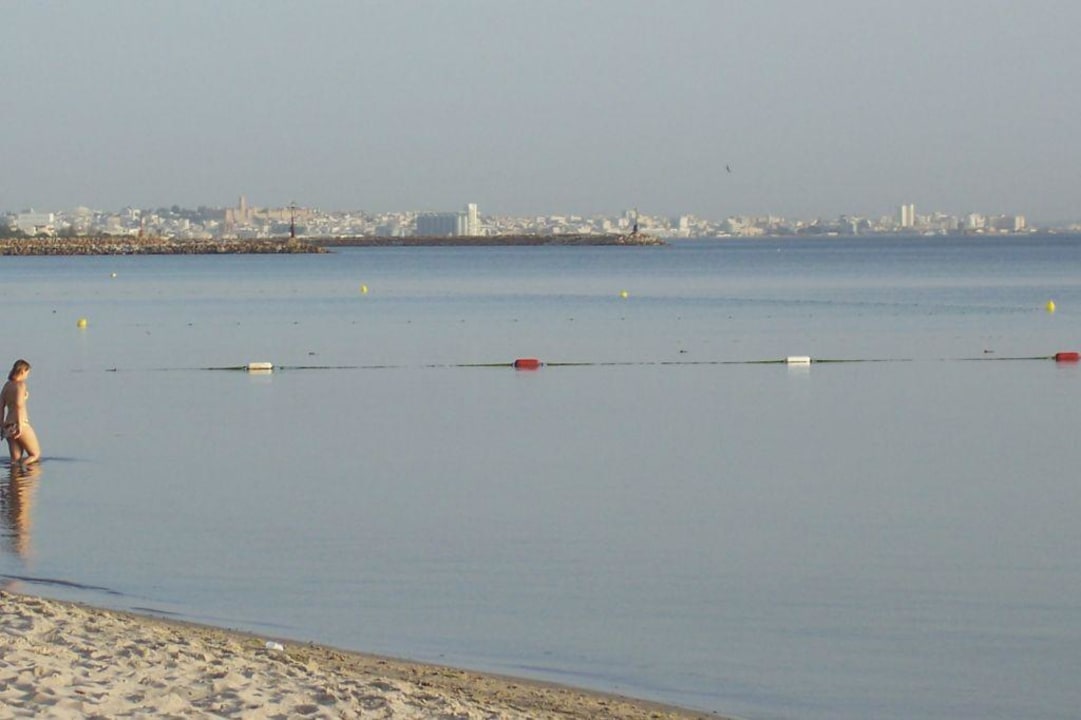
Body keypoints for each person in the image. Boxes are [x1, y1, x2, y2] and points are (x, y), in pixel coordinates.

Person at [2, 360, 40, 465]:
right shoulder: (21, 385)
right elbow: (19, 405)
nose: (27, 376)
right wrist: (19, 425)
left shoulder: (7, 386)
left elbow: (1, 406)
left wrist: (1, 425)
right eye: (27, 373)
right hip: (20, 424)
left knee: (15, 460)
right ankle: (23, 469)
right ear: (23, 371)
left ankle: (15, 479)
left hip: (8, 426)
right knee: (35, 454)